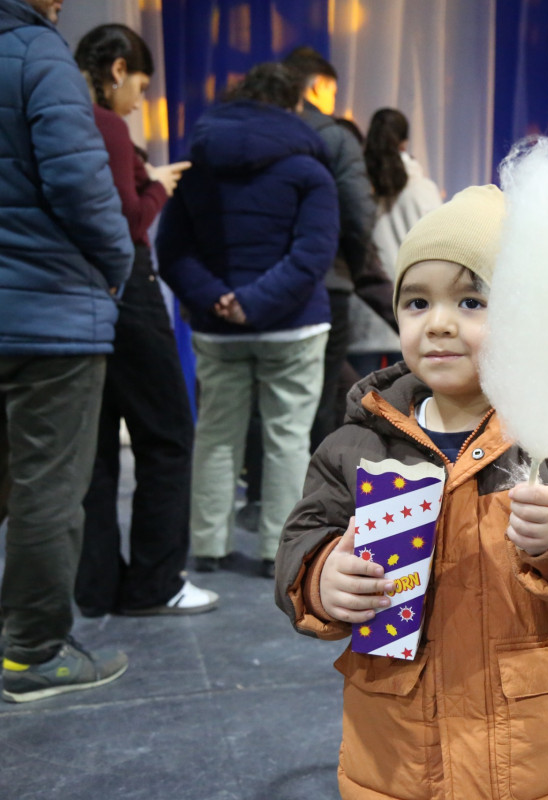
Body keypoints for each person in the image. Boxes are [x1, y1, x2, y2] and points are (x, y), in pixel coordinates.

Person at [275, 185, 548, 799]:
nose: (438, 322)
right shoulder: (356, 444)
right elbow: (301, 543)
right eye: (417, 302)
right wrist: (322, 577)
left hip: (546, 763)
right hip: (403, 763)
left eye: (471, 301)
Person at [0, 0, 132, 703]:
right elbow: (79, 182)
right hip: (49, 310)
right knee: (47, 487)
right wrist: (116, 262)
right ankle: (36, 653)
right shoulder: (37, 53)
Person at [156, 62, 339, 580]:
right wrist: (254, 302)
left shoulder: (197, 170)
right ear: (292, 105)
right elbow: (313, 255)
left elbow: (172, 252)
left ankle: (208, 546)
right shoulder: (310, 171)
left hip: (218, 328)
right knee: (287, 440)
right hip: (294, 325)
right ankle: (277, 551)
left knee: (216, 435)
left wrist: (219, 299)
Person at [71, 24, 216, 618]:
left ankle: (96, 586)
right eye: (141, 84)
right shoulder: (106, 125)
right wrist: (158, 187)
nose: (139, 100)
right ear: (117, 69)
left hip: (79, 295)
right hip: (128, 288)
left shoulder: (60, 118)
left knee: (97, 445)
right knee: (168, 435)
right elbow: (129, 220)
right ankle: (156, 584)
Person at [282, 46, 397, 448]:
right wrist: (353, 263)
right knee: (322, 399)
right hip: (328, 285)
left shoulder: (259, 132)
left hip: (260, 291)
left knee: (271, 408)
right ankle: (321, 483)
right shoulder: (334, 136)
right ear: (318, 87)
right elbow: (356, 214)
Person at [347, 107, 443, 373]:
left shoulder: (356, 185)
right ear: (404, 142)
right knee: (407, 395)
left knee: (360, 395)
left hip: (363, 306)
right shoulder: (423, 189)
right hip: (409, 308)